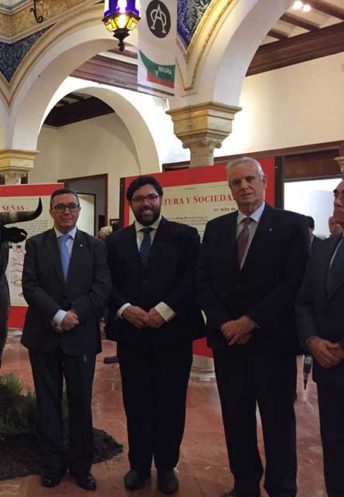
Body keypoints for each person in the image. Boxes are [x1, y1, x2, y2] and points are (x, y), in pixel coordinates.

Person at [197, 157, 309, 497]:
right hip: (229, 343)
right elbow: (202, 281)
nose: (243, 186)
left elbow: (293, 283)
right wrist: (224, 323)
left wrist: (251, 321)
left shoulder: (292, 225)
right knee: (236, 417)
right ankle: (244, 483)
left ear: (263, 182)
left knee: (277, 421)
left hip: (272, 344)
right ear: (229, 189)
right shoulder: (216, 228)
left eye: (249, 179)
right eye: (236, 182)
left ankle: (281, 487)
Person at [106, 175, 204, 494]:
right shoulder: (116, 241)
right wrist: (124, 309)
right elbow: (107, 283)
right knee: (136, 402)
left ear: (161, 200)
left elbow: (194, 279)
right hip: (132, 335)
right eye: (139, 199)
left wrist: (165, 309)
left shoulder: (185, 236)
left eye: (151, 198)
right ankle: (138, 465)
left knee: (171, 402)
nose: (146, 204)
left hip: (172, 335)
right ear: (130, 204)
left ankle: (166, 466)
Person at [21, 188, 111, 491]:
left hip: (81, 337)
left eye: (72, 206)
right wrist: (58, 315)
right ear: (51, 211)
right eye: (60, 207)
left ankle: (81, 466)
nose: (67, 212)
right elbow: (30, 287)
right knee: (48, 402)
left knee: (80, 403)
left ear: (78, 210)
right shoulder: (35, 245)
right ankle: (52, 464)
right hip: (44, 336)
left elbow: (102, 288)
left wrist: (75, 314)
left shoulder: (96, 247)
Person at [296, 178, 344, 497]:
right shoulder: (326, 246)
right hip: (329, 371)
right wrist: (311, 340)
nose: (337, 200)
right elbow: (304, 300)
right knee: (335, 448)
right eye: (337, 194)